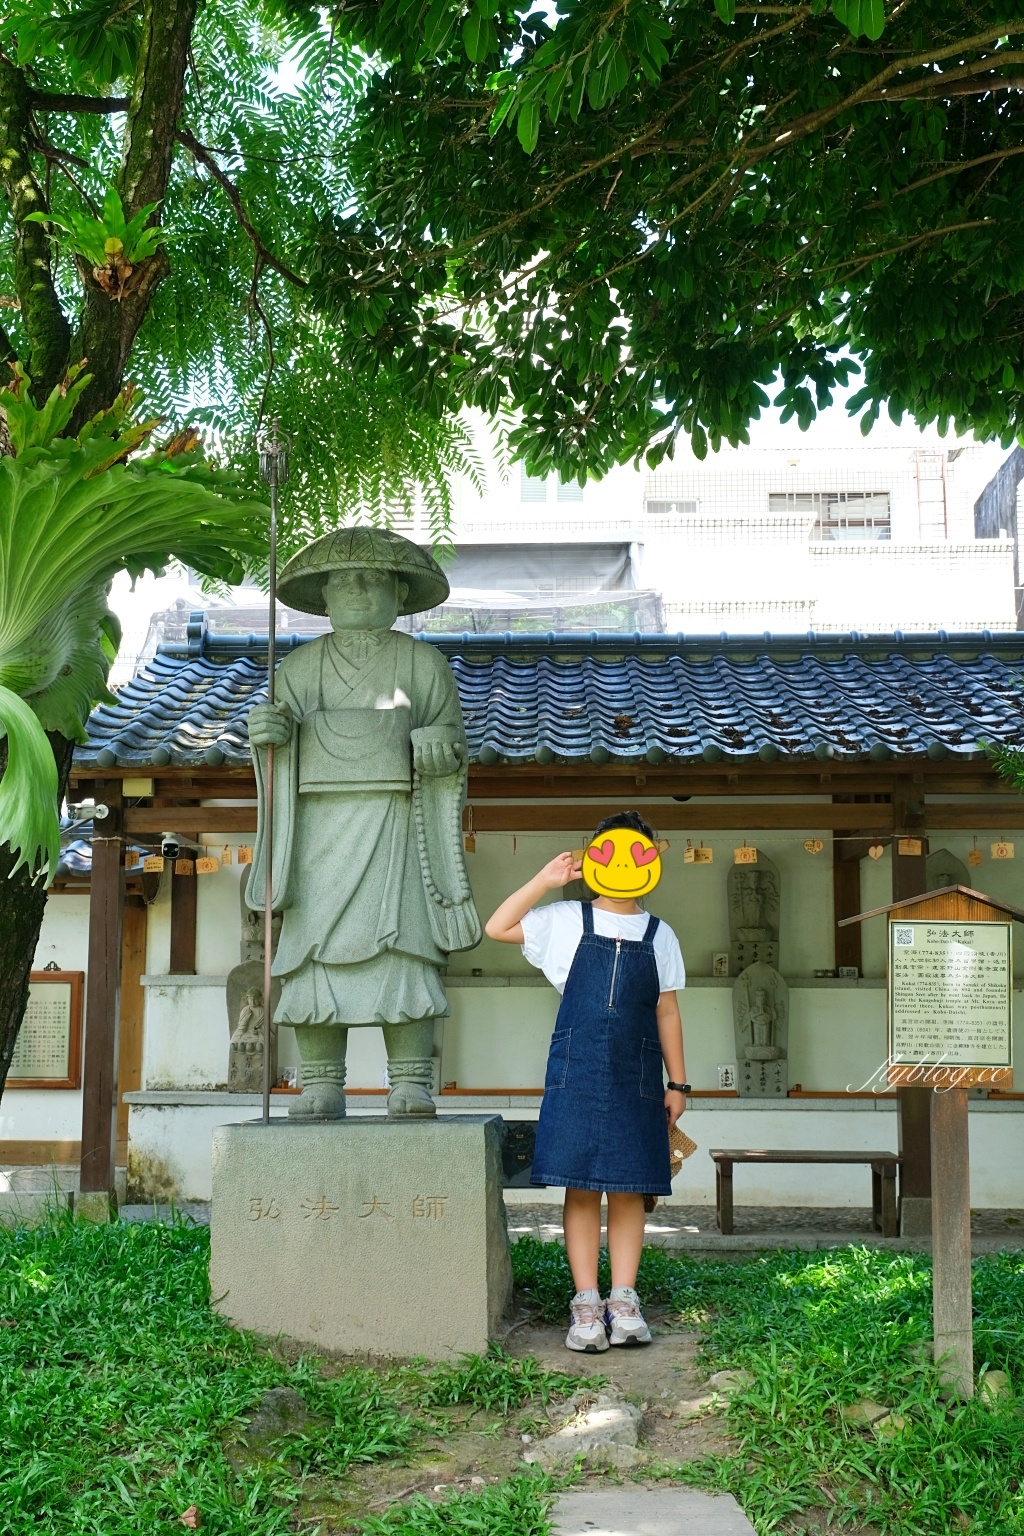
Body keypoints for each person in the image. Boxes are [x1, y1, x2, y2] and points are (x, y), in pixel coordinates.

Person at [485, 811, 688, 1353]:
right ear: (595, 857)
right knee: (580, 1187)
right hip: (577, 1069)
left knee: (629, 1187)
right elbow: (497, 927)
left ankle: (624, 1301)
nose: (624, 864)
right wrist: (544, 880)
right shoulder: (565, 918)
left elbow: (667, 1011)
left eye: (637, 853)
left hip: (638, 1073)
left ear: (652, 862)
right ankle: (586, 1305)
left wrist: (679, 1084)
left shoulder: (660, 933)